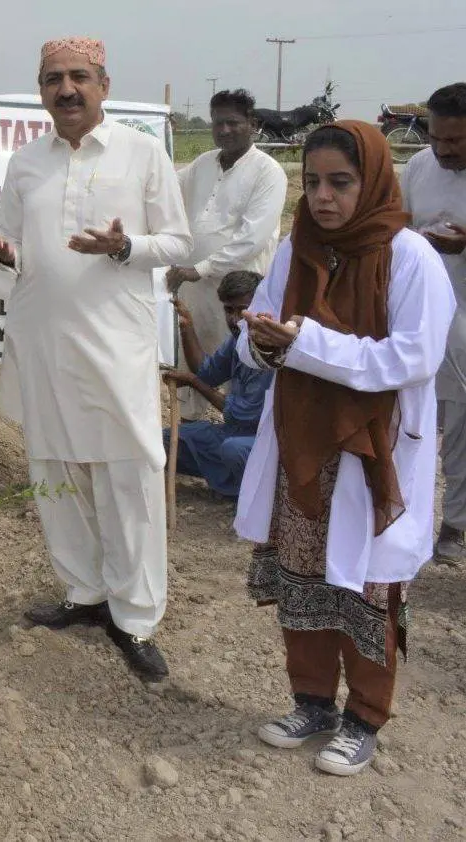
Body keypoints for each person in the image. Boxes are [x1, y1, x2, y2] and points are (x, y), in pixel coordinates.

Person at [0, 36, 192, 681]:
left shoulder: (141, 153)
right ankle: (85, 593)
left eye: (78, 78)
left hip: (114, 345)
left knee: (129, 474)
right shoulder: (26, 162)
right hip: (42, 340)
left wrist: (125, 248)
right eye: (52, 79)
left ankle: (137, 615)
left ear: (104, 84)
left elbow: (177, 241)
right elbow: (16, 239)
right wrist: (5, 252)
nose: (66, 89)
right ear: (41, 90)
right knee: (56, 472)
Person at [236, 122, 453, 776]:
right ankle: (310, 703)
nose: (323, 197)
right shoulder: (293, 247)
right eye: (313, 182)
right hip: (303, 449)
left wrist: (303, 344)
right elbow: (259, 331)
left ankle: (362, 718)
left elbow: (412, 357)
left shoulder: (408, 255)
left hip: (371, 451)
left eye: (340, 182)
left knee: (367, 589)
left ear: (374, 180)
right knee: (301, 578)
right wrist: (263, 343)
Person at [167, 89, 287, 420]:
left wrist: (200, 268)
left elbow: (252, 238)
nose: (224, 131)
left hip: (239, 296)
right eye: (218, 123)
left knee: (240, 365)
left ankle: (235, 444)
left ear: (253, 123)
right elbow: (165, 189)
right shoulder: (203, 164)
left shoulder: (268, 172)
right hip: (195, 289)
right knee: (191, 359)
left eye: (233, 123)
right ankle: (189, 441)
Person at [399, 82, 466, 565]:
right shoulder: (420, 166)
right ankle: (406, 515)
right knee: (415, 420)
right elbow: (399, 223)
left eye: (456, 142)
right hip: (423, 318)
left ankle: (455, 525)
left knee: (460, 427)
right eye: (437, 138)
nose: (443, 149)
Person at [162, 270, 272, 498]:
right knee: (164, 441)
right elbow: (207, 372)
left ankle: (261, 501)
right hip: (233, 433)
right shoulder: (238, 339)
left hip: (265, 441)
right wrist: (186, 325)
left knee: (233, 450)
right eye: (228, 310)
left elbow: (242, 415)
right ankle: (235, 483)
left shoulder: (271, 351)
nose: (234, 318)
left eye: (242, 310)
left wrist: (194, 383)